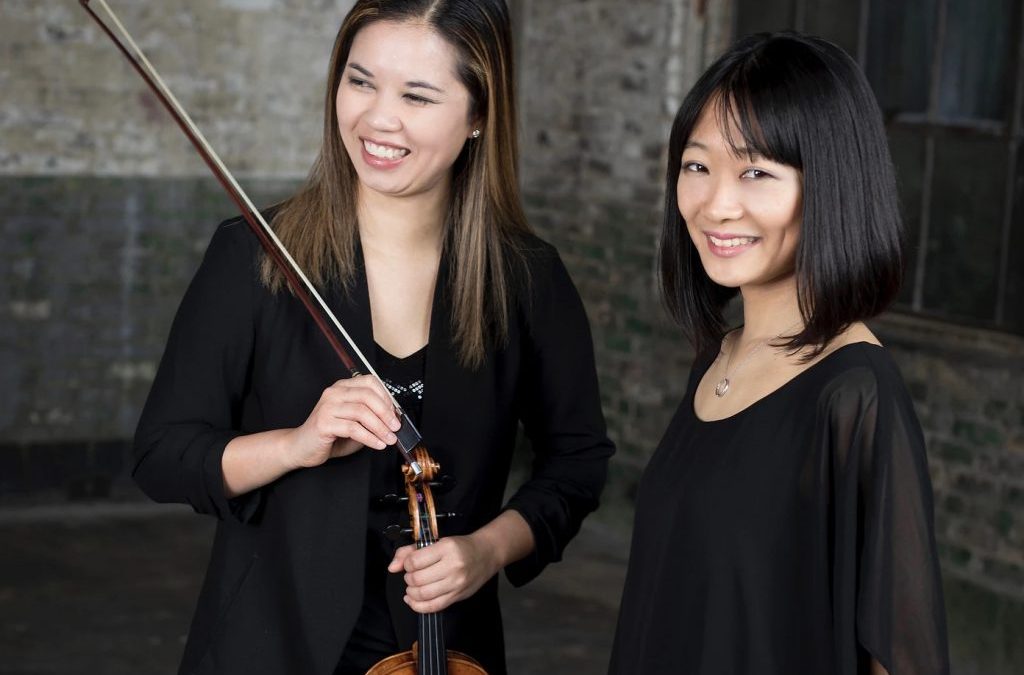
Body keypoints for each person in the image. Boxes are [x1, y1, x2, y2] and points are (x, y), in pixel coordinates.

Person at [133, 2, 614, 674]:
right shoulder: (255, 256)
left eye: (417, 96)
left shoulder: (525, 278)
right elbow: (162, 452)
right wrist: (295, 444)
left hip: (444, 648)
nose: (378, 118)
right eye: (360, 82)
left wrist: (488, 549)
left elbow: (577, 460)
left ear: (479, 115)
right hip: (268, 640)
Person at [609, 32, 948, 675]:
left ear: (831, 185)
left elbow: (902, 657)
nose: (716, 204)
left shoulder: (854, 393)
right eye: (697, 165)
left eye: (756, 172)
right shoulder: (718, 362)